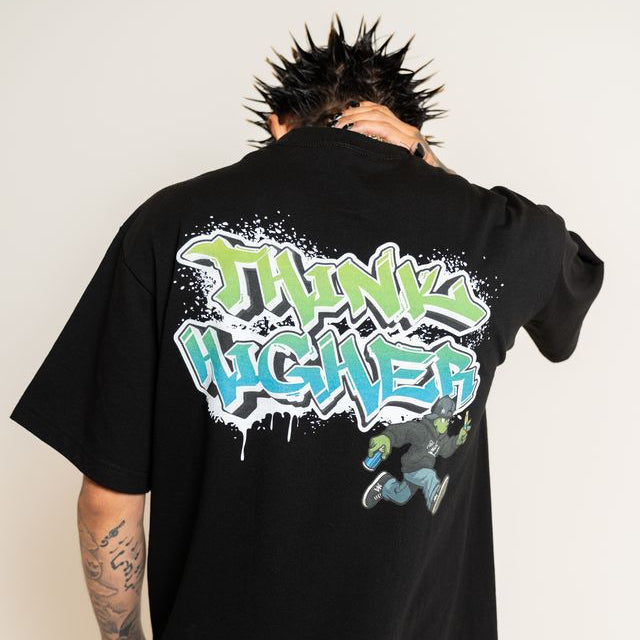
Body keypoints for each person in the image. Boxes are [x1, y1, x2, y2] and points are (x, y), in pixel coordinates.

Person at [9, 16, 604, 640]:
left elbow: (107, 499)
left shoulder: (170, 225)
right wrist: (432, 164)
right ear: (408, 127)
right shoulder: (492, 236)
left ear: (278, 124)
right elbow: (573, 288)